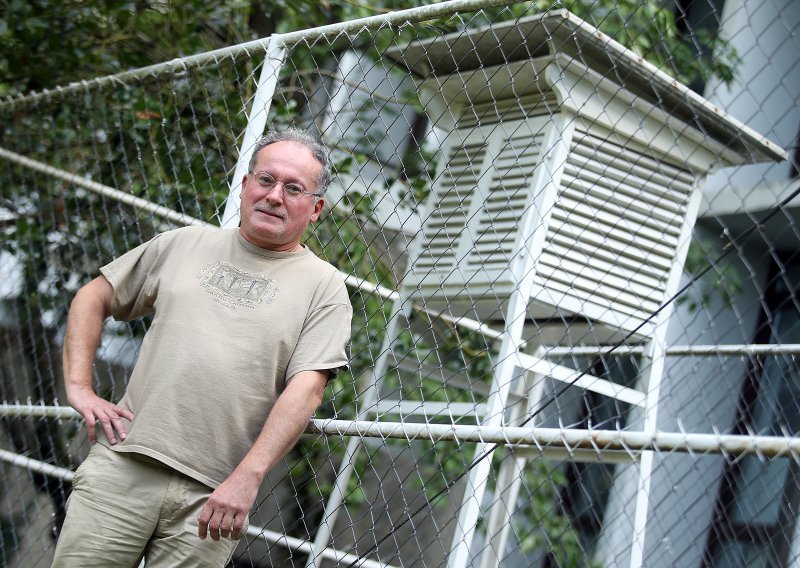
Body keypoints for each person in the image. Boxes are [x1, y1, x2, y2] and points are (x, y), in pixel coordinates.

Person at [52, 127, 353, 567]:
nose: (274, 196)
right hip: (126, 464)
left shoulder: (325, 288)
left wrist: (247, 479)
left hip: (217, 496)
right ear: (246, 185)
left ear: (316, 209)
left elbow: (307, 389)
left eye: (293, 189)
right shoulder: (184, 243)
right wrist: (79, 387)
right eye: (266, 180)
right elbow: (92, 297)